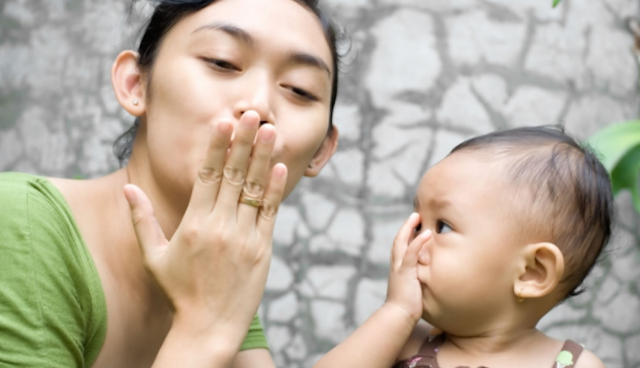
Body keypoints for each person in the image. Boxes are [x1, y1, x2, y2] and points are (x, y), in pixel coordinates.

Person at [0, 0, 340, 367]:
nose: (258, 107)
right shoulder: (21, 223)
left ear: (321, 150)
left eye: (300, 90)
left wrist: (399, 317)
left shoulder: (216, 266)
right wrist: (204, 329)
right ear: (135, 84)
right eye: (222, 62)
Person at [313, 126, 612, 368]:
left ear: (532, 272)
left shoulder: (575, 365)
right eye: (418, 225)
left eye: (442, 226)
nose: (415, 243)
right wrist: (397, 312)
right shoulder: (404, 342)